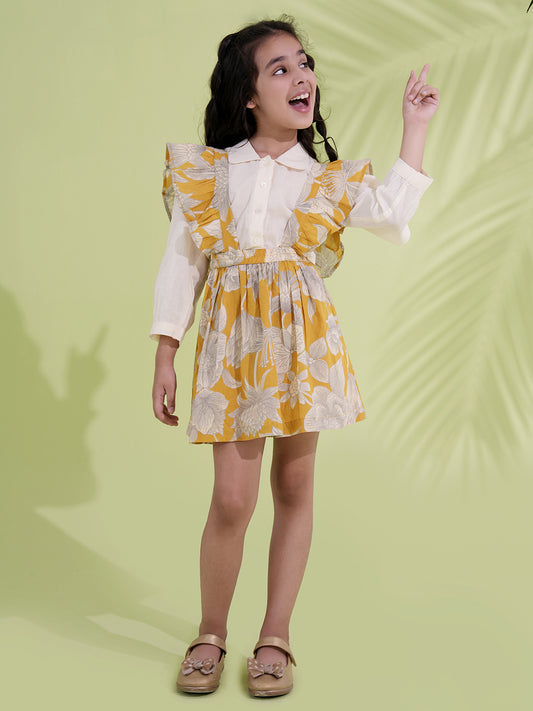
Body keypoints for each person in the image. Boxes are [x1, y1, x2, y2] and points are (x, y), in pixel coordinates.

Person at [150, 17, 439, 697]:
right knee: (231, 499)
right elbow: (182, 263)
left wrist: (414, 125)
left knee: (293, 489)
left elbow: (392, 215)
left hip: (303, 345)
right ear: (249, 95)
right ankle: (210, 631)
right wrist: (165, 351)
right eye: (279, 68)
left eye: (304, 64)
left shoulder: (325, 180)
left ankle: (275, 634)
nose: (301, 76)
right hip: (231, 347)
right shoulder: (209, 172)